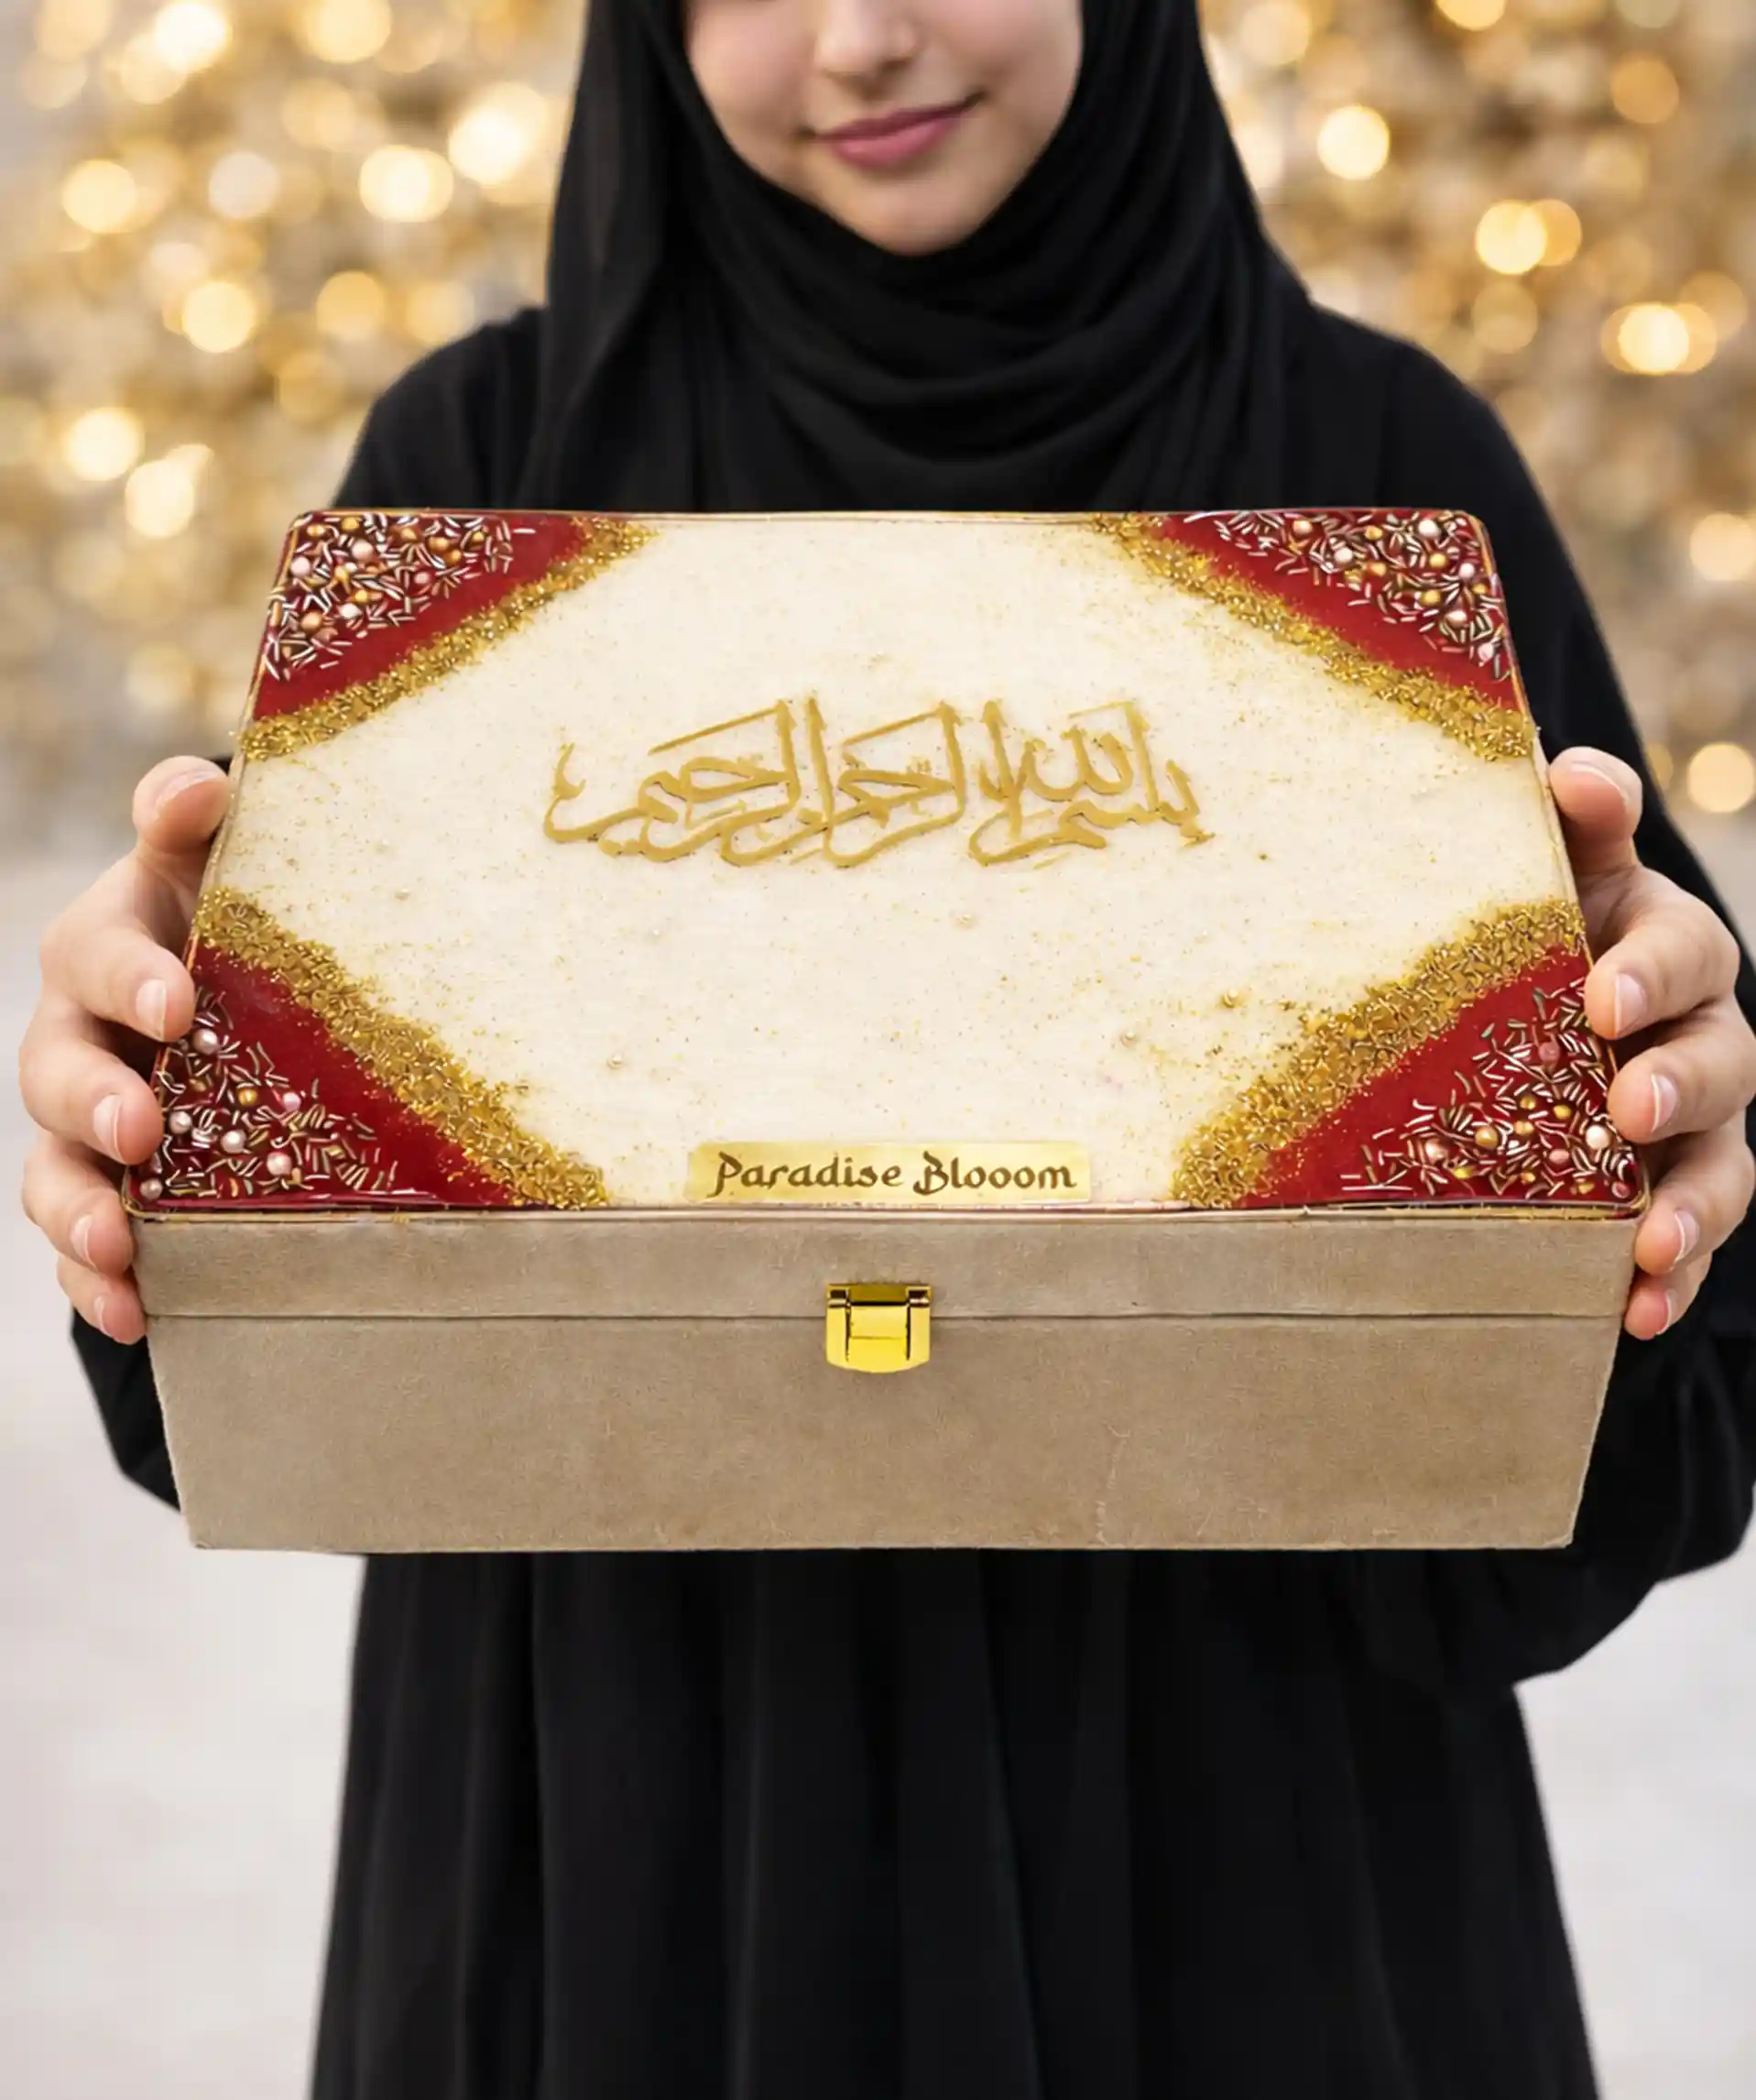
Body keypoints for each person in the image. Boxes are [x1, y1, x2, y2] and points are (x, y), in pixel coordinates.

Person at [16, 0, 1756, 2090]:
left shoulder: (1382, 468)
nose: (860, 39)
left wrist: (1649, 1178)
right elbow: (258, 1410)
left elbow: (1612, 1471)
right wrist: (156, 1136)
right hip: (623, 1868)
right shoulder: (481, 472)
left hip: (1252, 1869)